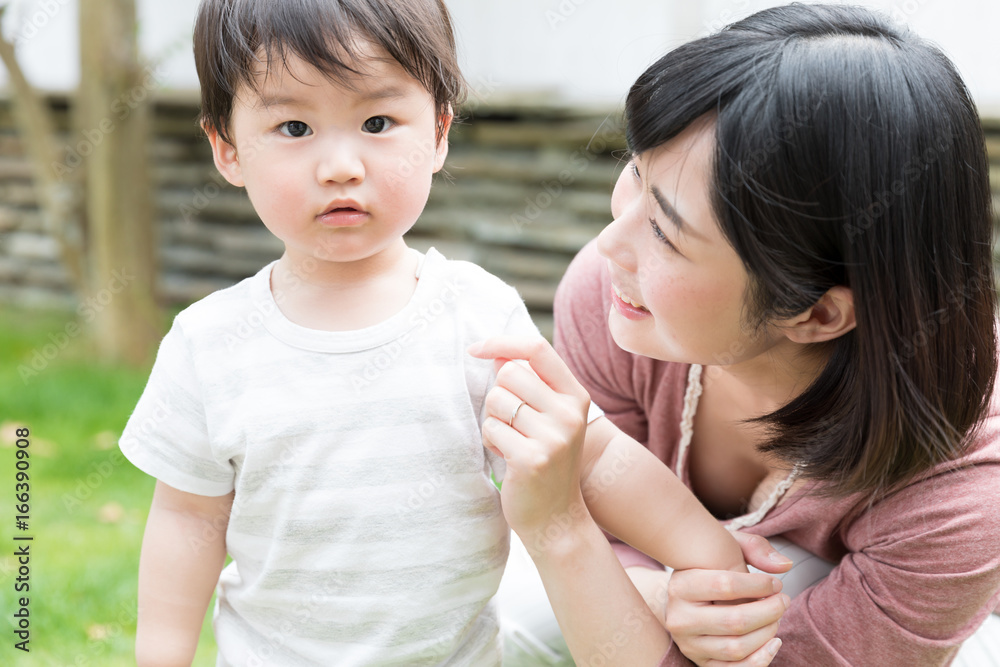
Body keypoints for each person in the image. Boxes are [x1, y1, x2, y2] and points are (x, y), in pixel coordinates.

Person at [120, 1, 750, 665]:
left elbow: (590, 455)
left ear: (440, 132)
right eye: (294, 126)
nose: (340, 165)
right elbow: (188, 517)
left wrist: (708, 552)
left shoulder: (477, 318)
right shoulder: (210, 342)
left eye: (378, 122)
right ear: (226, 148)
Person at [472, 4, 1000, 666]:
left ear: (818, 314)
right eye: (635, 170)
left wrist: (561, 530)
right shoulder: (618, 305)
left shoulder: (961, 495)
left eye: (664, 230)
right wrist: (657, 592)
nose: (610, 245)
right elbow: (608, 550)